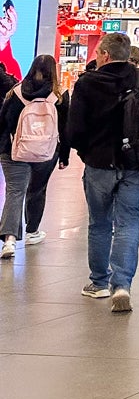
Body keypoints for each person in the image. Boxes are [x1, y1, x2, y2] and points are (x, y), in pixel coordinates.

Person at [64, 32, 139, 312]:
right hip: (136, 165)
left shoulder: (88, 83)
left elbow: (74, 130)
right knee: (129, 222)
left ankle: (99, 282)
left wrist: (84, 150)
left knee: (99, 223)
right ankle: (122, 285)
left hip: (100, 163)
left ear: (104, 54)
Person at [0, 54, 68, 258]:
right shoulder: (60, 95)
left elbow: (4, 121)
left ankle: (9, 240)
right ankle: (32, 231)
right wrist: (64, 156)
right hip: (46, 152)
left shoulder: (16, 92)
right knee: (38, 190)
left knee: (14, 192)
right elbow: (65, 128)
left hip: (14, 150)